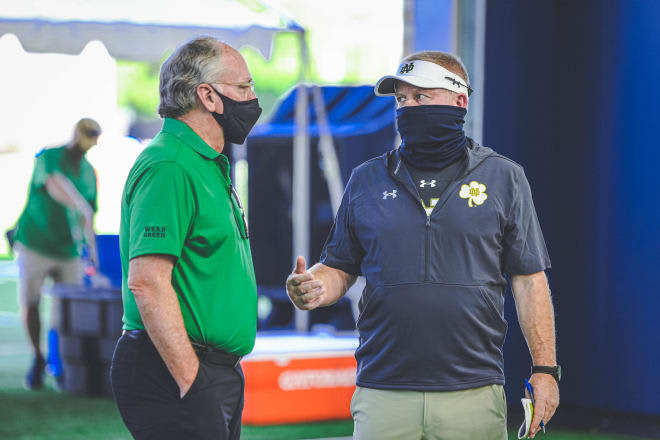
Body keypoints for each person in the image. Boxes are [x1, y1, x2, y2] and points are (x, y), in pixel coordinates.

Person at [286, 51, 560, 440]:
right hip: (383, 389)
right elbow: (340, 267)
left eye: (422, 96)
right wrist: (313, 285)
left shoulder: (505, 177)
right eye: (401, 99)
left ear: (459, 101)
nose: (408, 108)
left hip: (473, 390)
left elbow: (529, 280)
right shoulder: (367, 179)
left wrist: (545, 371)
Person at [110, 36, 261, 440]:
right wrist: (193, 382)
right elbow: (147, 282)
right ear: (207, 96)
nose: (252, 99)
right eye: (244, 88)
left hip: (209, 368)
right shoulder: (169, 164)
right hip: (174, 367)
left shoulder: (204, 161)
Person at [13, 118, 100, 390]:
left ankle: (63, 364)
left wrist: (93, 253)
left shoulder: (89, 171)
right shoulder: (50, 157)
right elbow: (55, 184)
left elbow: (90, 217)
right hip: (35, 242)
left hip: (68, 250)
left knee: (68, 311)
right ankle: (37, 359)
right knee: (31, 303)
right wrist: (80, 206)